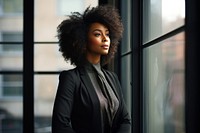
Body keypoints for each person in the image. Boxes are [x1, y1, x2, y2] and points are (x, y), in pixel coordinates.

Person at [52, 5, 131, 133]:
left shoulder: (112, 78)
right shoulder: (71, 78)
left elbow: (125, 119)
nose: (105, 39)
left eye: (108, 34)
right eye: (97, 34)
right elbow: (60, 125)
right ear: (82, 40)